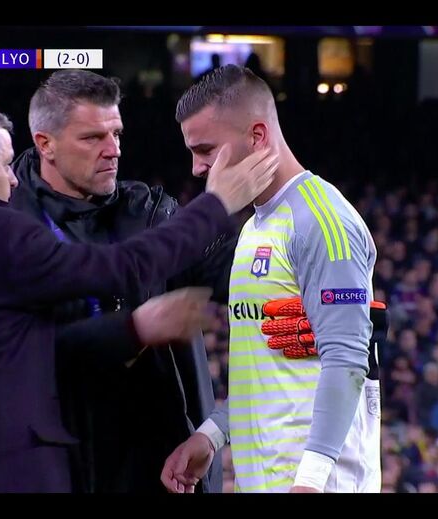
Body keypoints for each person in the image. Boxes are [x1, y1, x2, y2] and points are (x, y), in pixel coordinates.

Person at [0, 100, 278, 492]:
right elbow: (120, 268)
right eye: (5, 164)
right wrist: (216, 205)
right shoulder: (1, 233)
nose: (13, 180)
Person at [9, 69, 236, 493]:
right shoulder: (6, 229)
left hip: (166, 471)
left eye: (116, 134)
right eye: (93, 138)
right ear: (45, 144)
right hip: (60, 471)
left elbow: (238, 274)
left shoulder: (150, 212)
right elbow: (21, 353)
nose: (113, 150)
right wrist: (133, 329)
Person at [161, 65, 382, 493]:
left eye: (205, 150)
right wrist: (213, 434)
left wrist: (310, 482)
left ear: (257, 136)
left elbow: (346, 359)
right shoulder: (254, 227)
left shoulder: (322, 219)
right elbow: (269, 366)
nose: (197, 167)